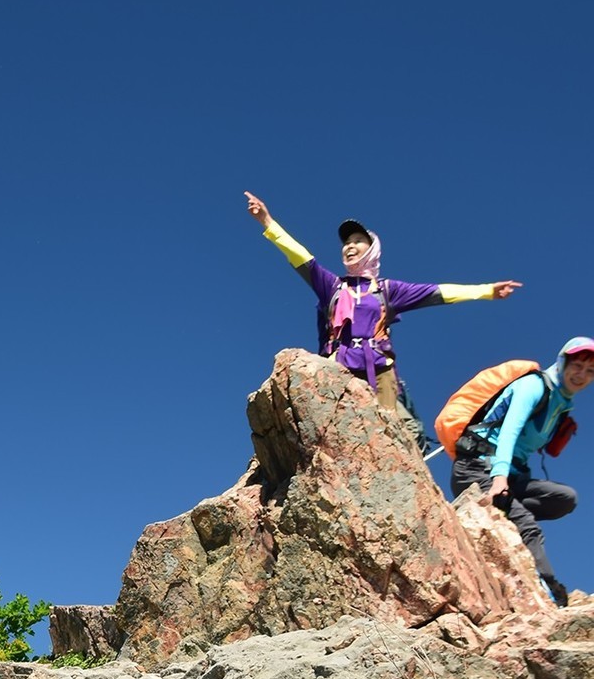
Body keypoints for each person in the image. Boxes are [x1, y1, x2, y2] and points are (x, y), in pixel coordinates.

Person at [243, 192, 522, 416]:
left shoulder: (388, 290)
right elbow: (302, 258)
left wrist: (487, 291)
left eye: (357, 241)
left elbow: (438, 292)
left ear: (372, 248)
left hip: (379, 370)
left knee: (386, 431)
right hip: (337, 367)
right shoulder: (333, 287)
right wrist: (268, 222)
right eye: (346, 243)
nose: (349, 246)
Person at [449, 338, 594, 607]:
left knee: (565, 498)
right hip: (477, 469)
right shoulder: (534, 386)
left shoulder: (561, 404)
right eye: (577, 365)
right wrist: (499, 479)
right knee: (527, 525)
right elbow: (509, 431)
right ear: (563, 362)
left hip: (512, 476)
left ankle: (505, 514)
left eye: (590, 371)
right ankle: (551, 593)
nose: (582, 374)